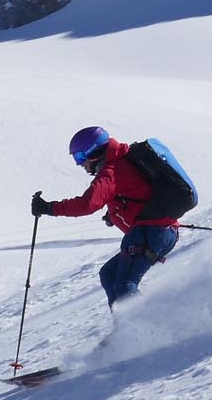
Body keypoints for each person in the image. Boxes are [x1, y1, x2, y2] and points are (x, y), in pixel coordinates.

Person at [32, 126, 180, 307]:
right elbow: (136, 192)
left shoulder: (111, 170)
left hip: (150, 231)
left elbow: (87, 204)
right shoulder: (123, 160)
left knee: (125, 285)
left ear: (92, 152)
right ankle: (124, 328)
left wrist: (49, 208)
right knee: (109, 274)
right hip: (161, 232)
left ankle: (145, 328)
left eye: (79, 157)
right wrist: (114, 213)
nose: (80, 164)